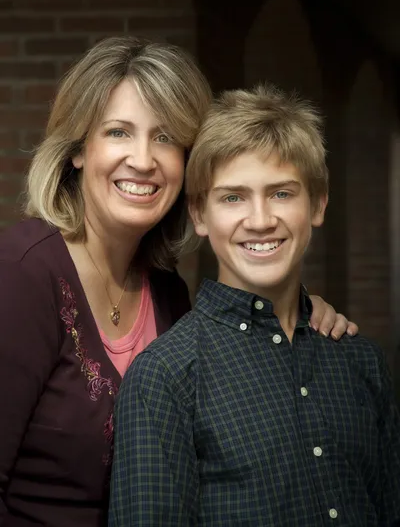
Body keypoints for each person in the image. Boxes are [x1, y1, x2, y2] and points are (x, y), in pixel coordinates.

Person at [0, 36, 355, 527]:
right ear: (78, 149)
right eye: (119, 132)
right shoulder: (20, 276)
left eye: (165, 137)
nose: (143, 160)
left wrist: (296, 309)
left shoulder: (167, 294)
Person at [109, 84, 400, 527]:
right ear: (200, 215)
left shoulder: (362, 363)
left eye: (282, 193)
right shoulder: (165, 378)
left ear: (318, 203)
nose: (261, 220)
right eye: (233, 197)